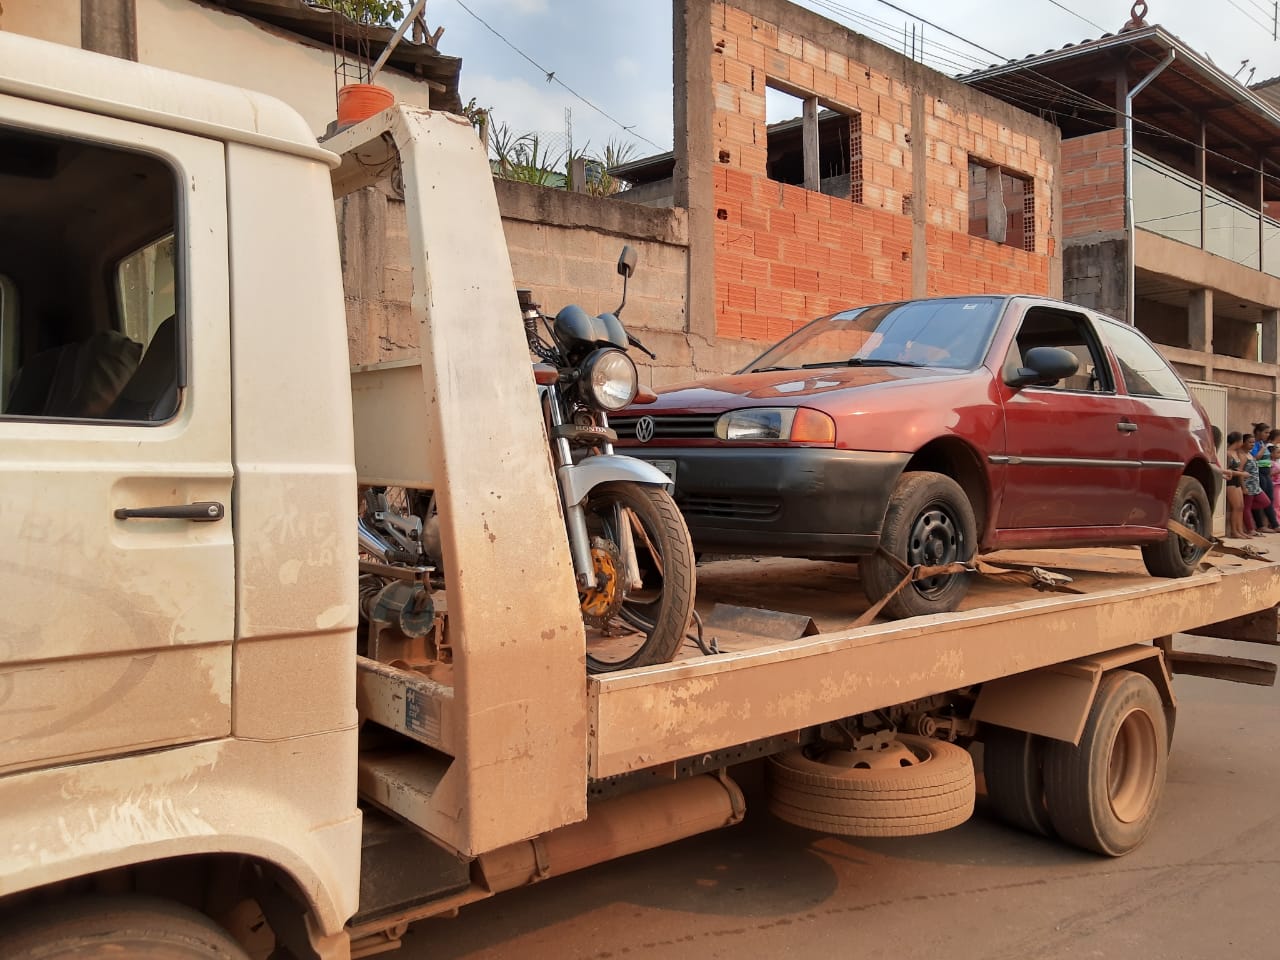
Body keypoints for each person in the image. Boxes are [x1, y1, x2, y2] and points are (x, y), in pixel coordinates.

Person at [1251, 423, 1279, 531]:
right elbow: (1254, 458)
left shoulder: (1263, 443)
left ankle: (1274, 524)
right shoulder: (1254, 443)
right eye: (1265, 432)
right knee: (1259, 499)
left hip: (1266, 473)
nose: (1268, 435)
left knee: (1270, 499)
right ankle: (1260, 525)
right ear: (1258, 432)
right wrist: (1263, 449)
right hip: (1258, 473)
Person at [1224, 431, 1248, 539]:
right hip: (1231, 481)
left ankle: (1240, 530)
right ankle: (1234, 531)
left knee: (1241, 507)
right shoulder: (1228, 453)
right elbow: (1228, 471)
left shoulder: (1236, 453)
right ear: (1238, 441)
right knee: (1235, 507)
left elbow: (1237, 468)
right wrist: (1242, 473)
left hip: (1237, 481)